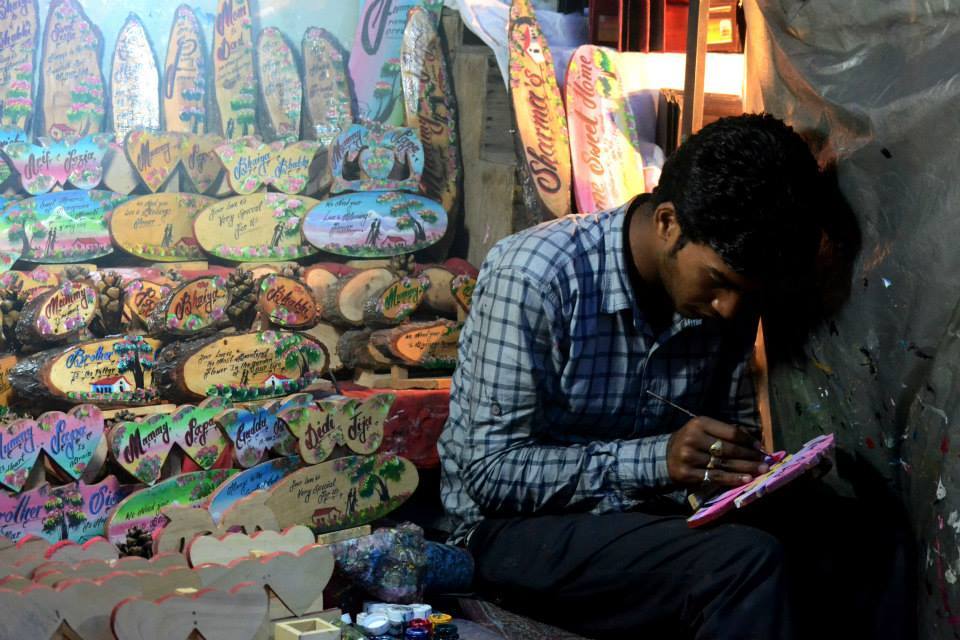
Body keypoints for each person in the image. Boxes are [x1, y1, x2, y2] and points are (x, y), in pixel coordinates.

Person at [438, 114, 908, 639]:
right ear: (668, 224)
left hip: (648, 516)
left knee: (864, 536)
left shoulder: (729, 297)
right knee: (744, 563)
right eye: (718, 282)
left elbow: (728, 430)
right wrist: (659, 460)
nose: (729, 309)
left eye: (747, 292)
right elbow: (490, 473)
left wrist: (756, 474)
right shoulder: (535, 274)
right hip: (508, 531)